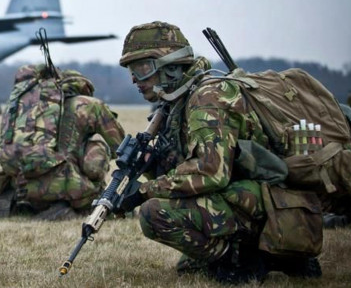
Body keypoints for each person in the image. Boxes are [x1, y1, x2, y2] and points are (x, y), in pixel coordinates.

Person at [117, 21, 321, 284]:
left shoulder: (208, 98)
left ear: (170, 66)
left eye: (142, 68)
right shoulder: (177, 102)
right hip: (253, 198)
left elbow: (211, 173)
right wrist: (149, 167)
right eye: (131, 71)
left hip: (277, 205)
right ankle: (253, 252)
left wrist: (143, 193)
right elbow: (186, 167)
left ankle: (243, 261)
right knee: (188, 259)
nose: (135, 79)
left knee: (153, 213)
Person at [0, 65, 125, 221]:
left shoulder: (30, 106)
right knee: (97, 146)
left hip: (19, 182)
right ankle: (63, 206)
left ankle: (18, 200)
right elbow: (120, 147)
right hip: (67, 185)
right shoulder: (89, 105)